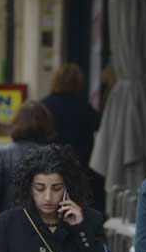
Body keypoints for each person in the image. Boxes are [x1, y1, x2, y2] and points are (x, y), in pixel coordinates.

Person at [44, 64, 105, 214]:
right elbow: (100, 127)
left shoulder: (45, 106)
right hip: (81, 165)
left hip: (51, 165)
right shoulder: (85, 107)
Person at [0, 100, 54, 216]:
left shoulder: (3, 154)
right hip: (46, 226)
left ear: (17, 123)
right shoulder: (54, 154)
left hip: (10, 224)